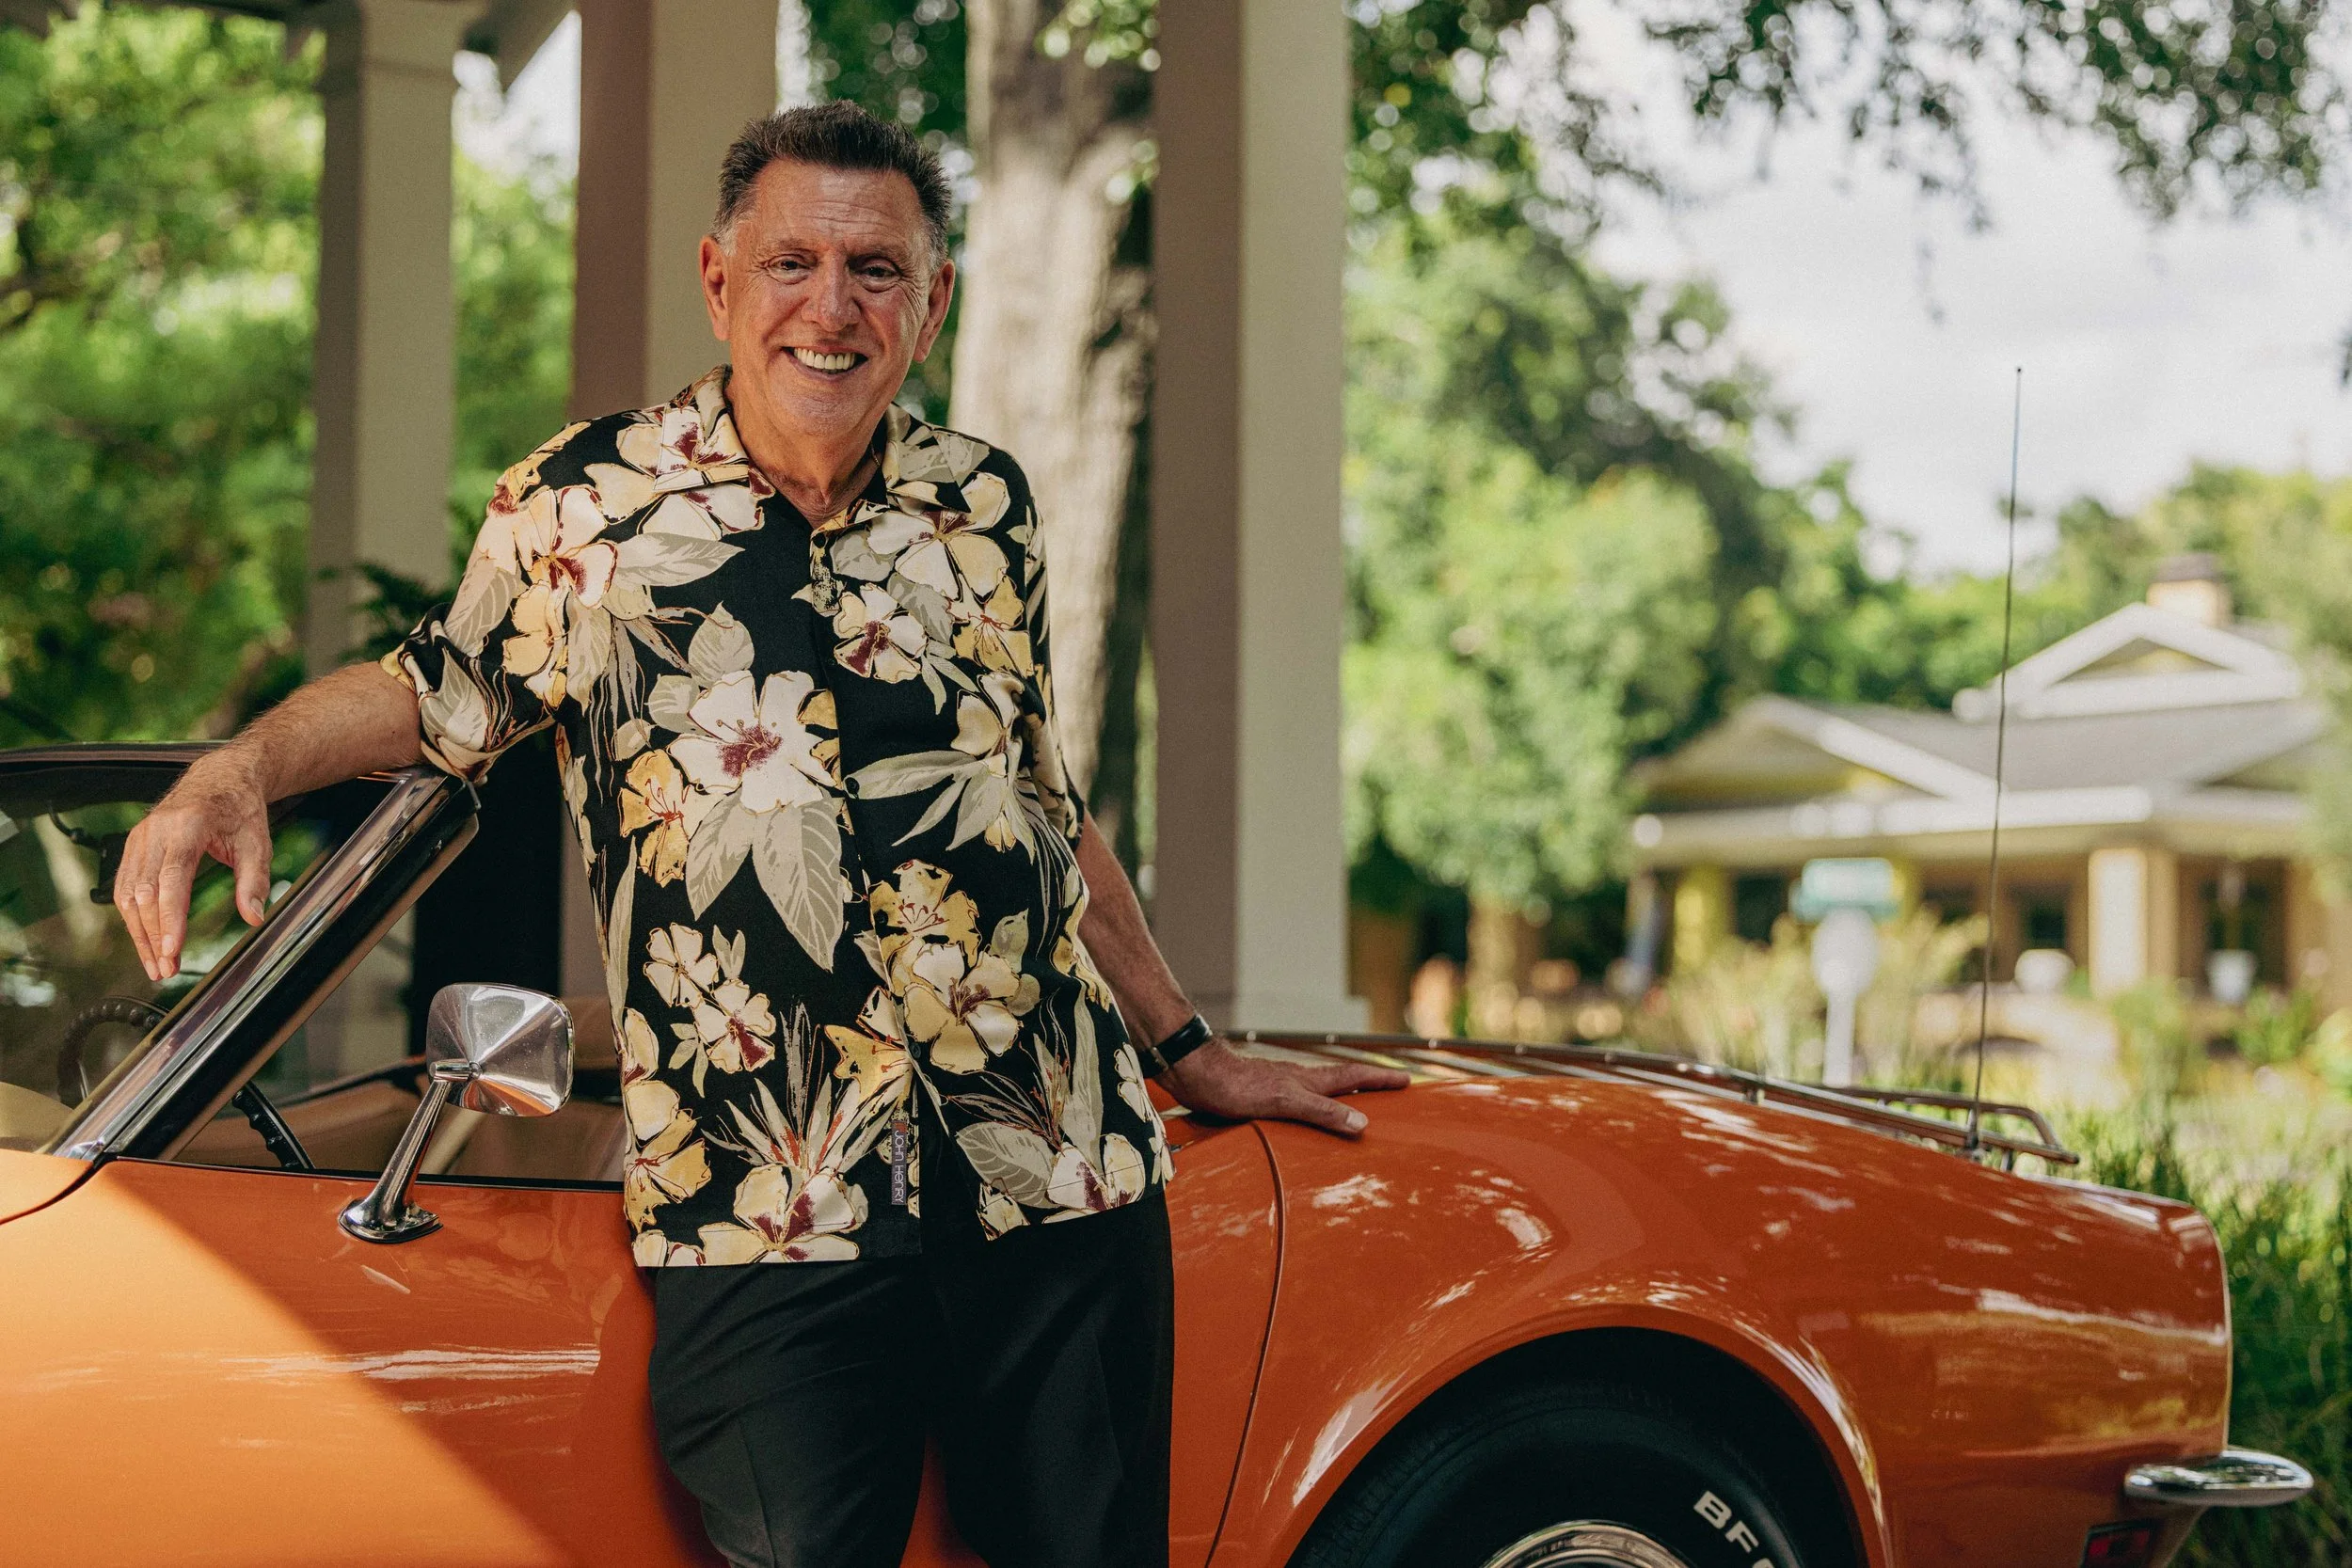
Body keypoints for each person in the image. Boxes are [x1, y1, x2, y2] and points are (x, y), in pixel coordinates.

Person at [110, 102, 1406, 1568]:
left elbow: (1039, 797)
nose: (831, 307)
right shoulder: (587, 506)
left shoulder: (985, 505)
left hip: (1055, 1169)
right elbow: (437, 695)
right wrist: (240, 768)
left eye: (876, 269)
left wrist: (1188, 1046)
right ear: (721, 283)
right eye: (793, 262)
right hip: (766, 1197)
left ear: (934, 302)